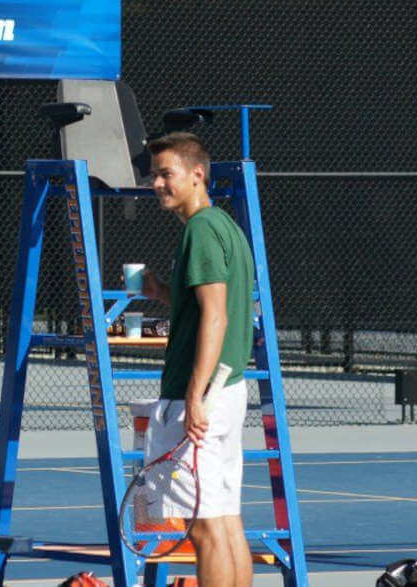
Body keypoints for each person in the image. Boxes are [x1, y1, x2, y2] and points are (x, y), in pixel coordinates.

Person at [140, 132, 255, 587]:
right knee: (226, 521)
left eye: (167, 174)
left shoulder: (201, 230)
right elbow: (203, 305)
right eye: (155, 175)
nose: (158, 184)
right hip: (228, 390)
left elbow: (216, 317)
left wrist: (195, 395)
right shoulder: (225, 228)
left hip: (208, 394)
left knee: (205, 528)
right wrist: (160, 293)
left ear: (196, 175)